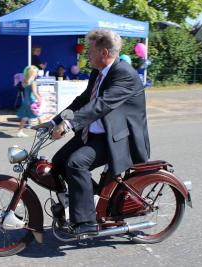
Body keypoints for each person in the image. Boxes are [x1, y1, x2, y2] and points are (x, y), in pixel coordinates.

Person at [36, 29, 150, 236]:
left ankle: (86, 222)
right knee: (59, 161)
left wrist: (68, 126)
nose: (87, 54)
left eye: (91, 50)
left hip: (117, 138)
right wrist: (54, 121)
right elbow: (83, 101)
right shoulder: (99, 72)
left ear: (104, 52)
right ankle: (91, 199)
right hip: (95, 134)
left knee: (75, 163)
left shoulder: (124, 74)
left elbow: (100, 104)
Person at [16, 65, 42, 138]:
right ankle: (43, 129)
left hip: (25, 102)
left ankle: (19, 131)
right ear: (34, 74)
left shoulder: (25, 81)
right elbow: (34, 92)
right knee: (39, 115)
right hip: (32, 102)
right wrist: (39, 98)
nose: (37, 74)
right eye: (36, 72)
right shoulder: (33, 82)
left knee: (24, 117)